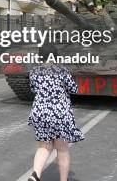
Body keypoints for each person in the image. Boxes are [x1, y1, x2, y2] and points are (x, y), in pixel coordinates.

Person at [26, 45, 83, 181]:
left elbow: (33, 89)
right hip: (59, 113)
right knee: (62, 149)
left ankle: (35, 174)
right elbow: (74, 88)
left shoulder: (34, 71)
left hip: (40, 112)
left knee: (44, 146)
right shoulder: (62, 70)